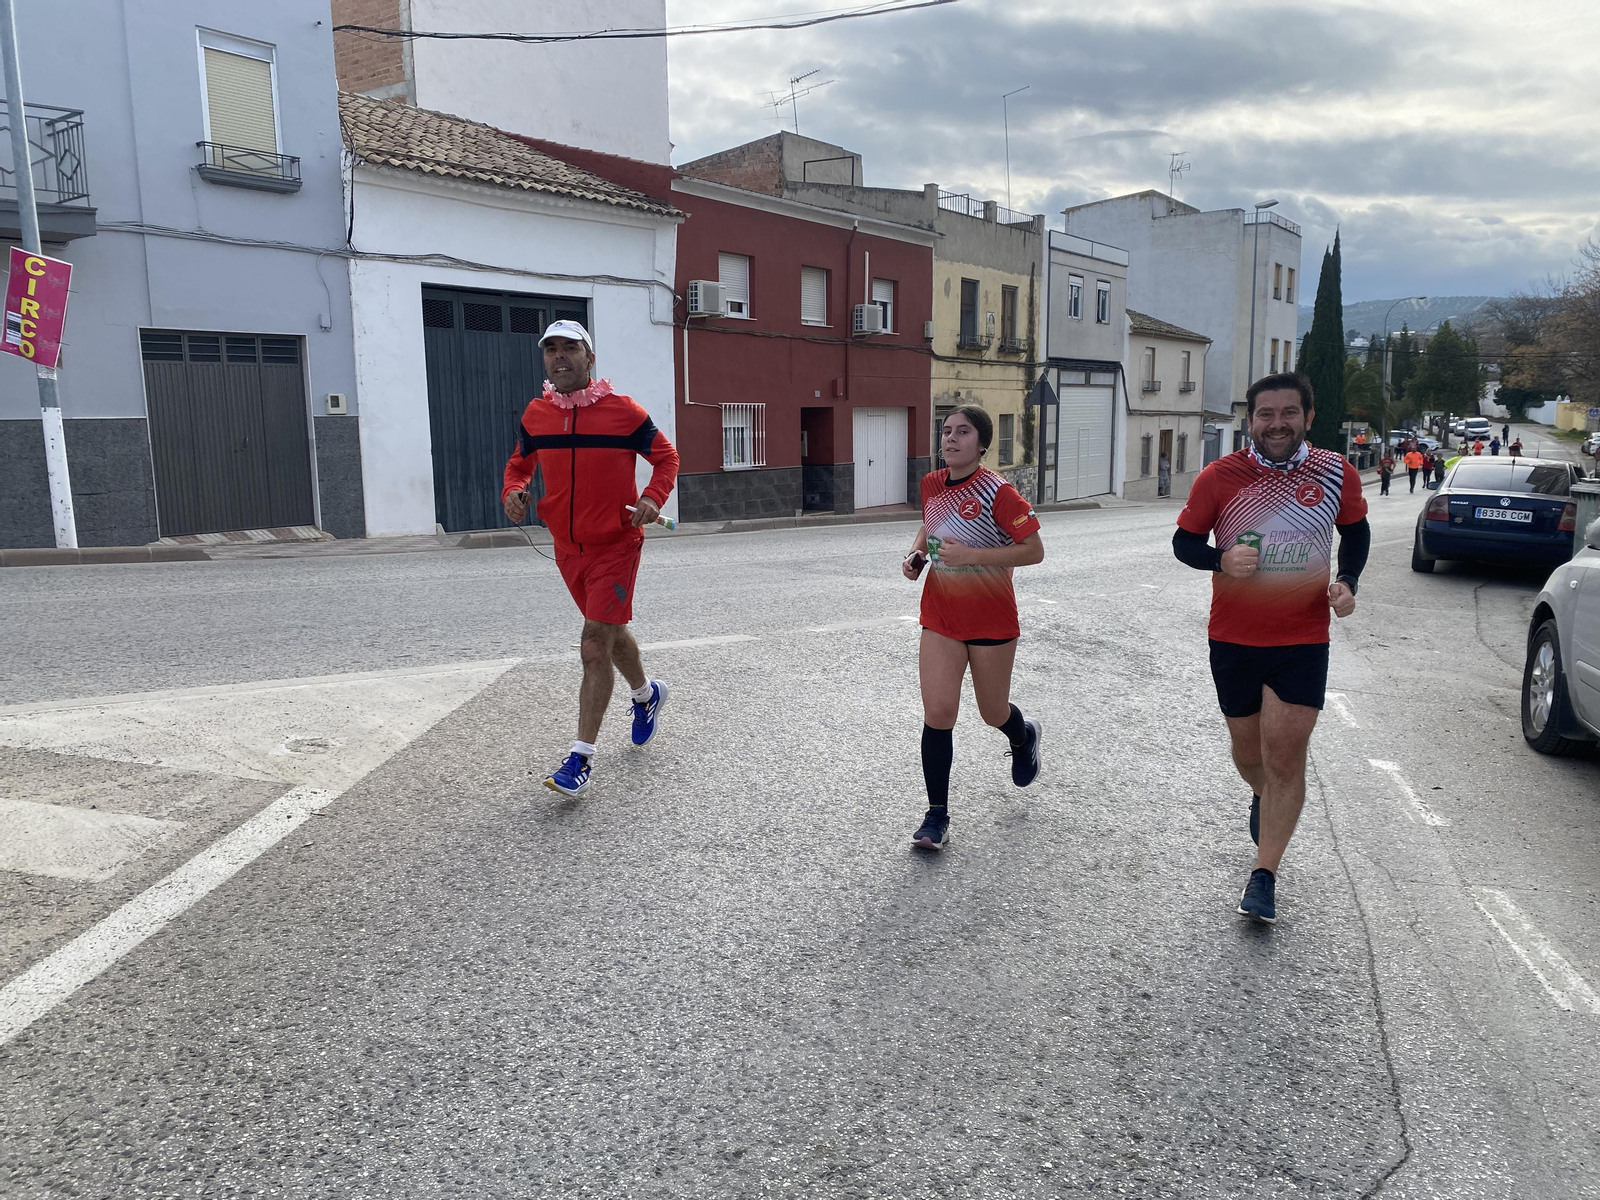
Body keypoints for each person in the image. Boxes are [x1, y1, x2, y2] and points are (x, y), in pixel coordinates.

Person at [1171, 372, 1370, 924]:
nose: (1276, 423)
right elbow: (1184, 542)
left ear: (1308, 417)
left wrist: (1348, 580)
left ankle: (1265, 875)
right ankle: (1263, 794)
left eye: (1288, 413)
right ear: (1250, 420)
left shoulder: (1335, 473)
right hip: (1234, 637)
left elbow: (1354, 530)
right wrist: (1220, 560)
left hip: (1303, 639)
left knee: (1285, 754)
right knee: (1249, 753)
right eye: (1265, 414)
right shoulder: (1220, 477)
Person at [501, 320, 680, 797]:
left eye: (570, 349)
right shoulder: (537, 414)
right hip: (566, 548)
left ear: (590, 358)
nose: (559, 357)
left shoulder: (624, 412)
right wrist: (514, 490)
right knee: (610, 631)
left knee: (593, 643)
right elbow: (520, 463)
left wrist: (652, 498)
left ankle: (579, 759)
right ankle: (647, 695)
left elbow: (667, 458)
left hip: (617, 544)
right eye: (550, 350)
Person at [903, 404, 1045, 851]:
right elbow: (930, 527)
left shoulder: (999, 492)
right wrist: (917, 556)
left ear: (981, 444)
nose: (950, 439)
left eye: (962, 432)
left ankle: (1023, 737)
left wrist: (972, 556)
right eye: (946, 431)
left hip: (991, 618)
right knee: (939, 713)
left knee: (991, 711)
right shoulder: (931, 484)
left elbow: (1034, 550)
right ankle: (936, 816)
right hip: (941, 616)